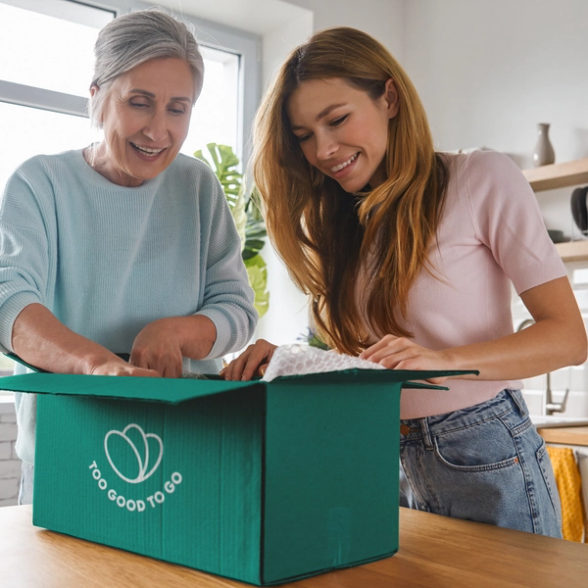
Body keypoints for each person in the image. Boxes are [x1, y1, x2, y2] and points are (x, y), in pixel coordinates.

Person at [221, 27, 587, 537]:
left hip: (483, 449)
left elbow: (569, 338)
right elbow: (367, 362)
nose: (324, 149)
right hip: (379, 453)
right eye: (304, 135)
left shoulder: (479, 178)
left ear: (388, 97)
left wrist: (443, 360)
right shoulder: (338, 222)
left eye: (338, 119)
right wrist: (287, 359)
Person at [0, 9, 257, 504]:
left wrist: (175, 331)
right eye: (140, 103)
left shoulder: (198, 186)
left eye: (178, 109)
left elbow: (237, 311)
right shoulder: (39, 183)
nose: (158, 131)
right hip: (70, 444)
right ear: (96, 98)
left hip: (186, 442)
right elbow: (9, 300)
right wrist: (98, 365)